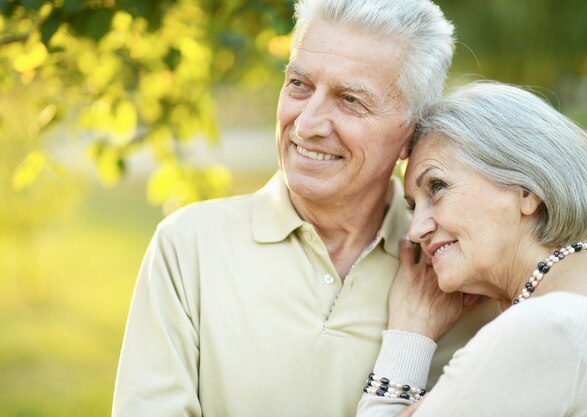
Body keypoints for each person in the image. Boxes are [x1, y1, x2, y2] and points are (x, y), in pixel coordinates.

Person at [111, 1, 499, 416]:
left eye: (350, 100)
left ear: (411, 134)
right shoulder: (188, 246)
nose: (307, 124)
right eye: (299, 84)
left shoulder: (457, 268)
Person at [356, 81, 587, 417]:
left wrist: (409, 333)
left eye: (437, 187)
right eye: (413, 206)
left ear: (527, 190)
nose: (416, 229)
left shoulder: (542, 329)